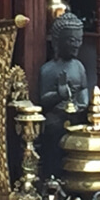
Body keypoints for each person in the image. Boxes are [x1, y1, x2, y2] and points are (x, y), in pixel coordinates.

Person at [39, 13, 89, 179]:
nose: (76, 45)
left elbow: (83, 91)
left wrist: (82, 105)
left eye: (79, 40)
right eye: (71, 40)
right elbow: (43, 100)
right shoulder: (48, 69)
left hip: (76, 119)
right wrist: (59, 95)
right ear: (57, 42)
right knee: (54, 150)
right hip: (56, 120)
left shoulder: (79, 67)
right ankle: (53, 180)